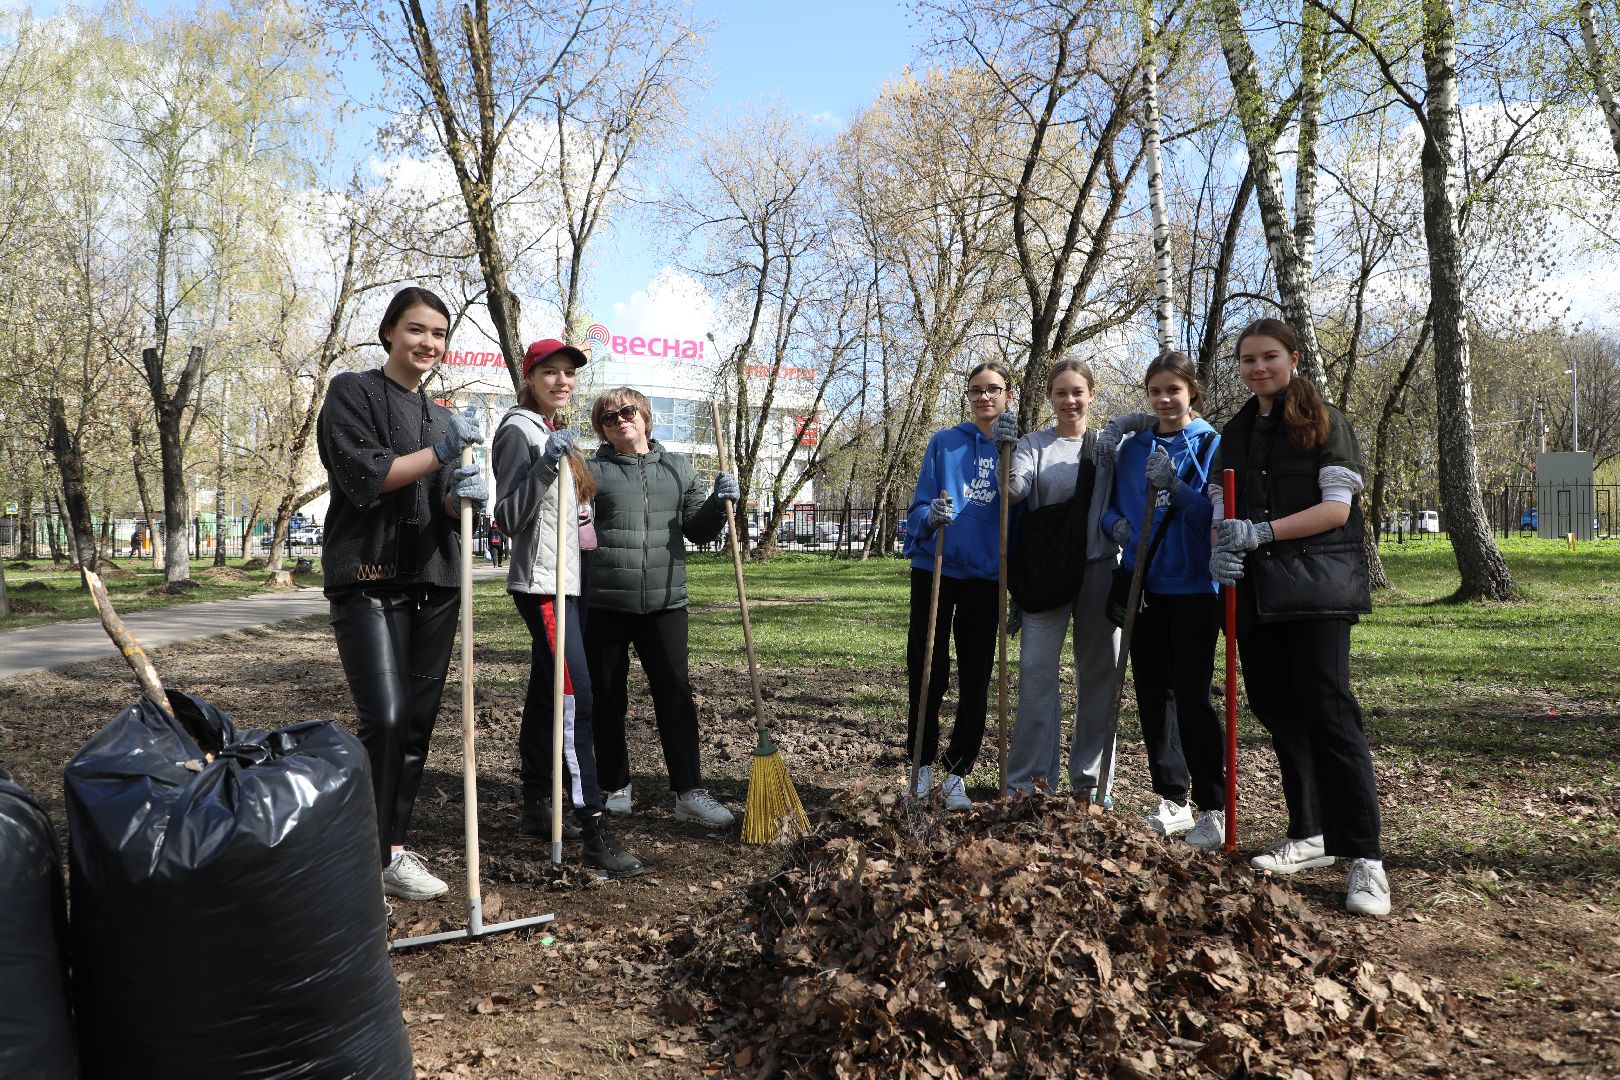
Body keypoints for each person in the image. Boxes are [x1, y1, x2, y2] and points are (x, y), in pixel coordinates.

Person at [1209, 317, 1387, 917]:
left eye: (1269, 357)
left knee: (1329, 713)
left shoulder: (1325, 422)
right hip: (1255, 597)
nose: (1258, 369)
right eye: (1247, 360)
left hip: (1315, 591)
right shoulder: (1234, 431)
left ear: (1293, 357)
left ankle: (1365, 858)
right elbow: (1220, 506)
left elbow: (1336, 510)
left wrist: (1259, 532)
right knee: (1277, 709)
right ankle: (1309, 834)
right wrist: (1223, 547)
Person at [317, 285, 488, 901]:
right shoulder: (352, 392)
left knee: (415, 725)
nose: (428, 343)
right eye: (417, 330)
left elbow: (440, 499)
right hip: (367, 575)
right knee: (384, 717)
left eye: (439, 335)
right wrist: (439, 452)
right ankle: (358, 853)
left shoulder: (444, 416)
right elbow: (369, 476)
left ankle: (391, 852)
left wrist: (462, 492)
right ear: (389, 332)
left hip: (435, 578)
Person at [491, 338, 643, 878]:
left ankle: (537, 803)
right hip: (542, 585)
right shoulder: (518, 430)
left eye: (569, 374)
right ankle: (594, 825)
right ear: (530, 377)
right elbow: (506, 517)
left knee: (545, 694)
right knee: (578, 698)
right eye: (550, 372)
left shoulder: (554, 431)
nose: (561, 381)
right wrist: (543, 469)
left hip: (569, 583)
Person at [998, 358, 1151, 805]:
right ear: (1049, 397)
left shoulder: (1107, 447)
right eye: (1061, 392)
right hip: (1045, 575)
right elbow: (1014, 491)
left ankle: (1091, 782)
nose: (1070, 401)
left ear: (1091, 395)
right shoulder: (1032, 444)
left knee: (1100, 675)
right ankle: (1028, 782)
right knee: (1036, 673)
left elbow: (1161, 419)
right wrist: (999, 451)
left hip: (1099, 569)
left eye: (1077, 392)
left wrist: (1122, 425)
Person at [583, 388, 737, 827]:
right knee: (608, 697)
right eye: (608, 418)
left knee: (675, 693)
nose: (620, 420)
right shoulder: (591, 471)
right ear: (602, 429)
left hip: (666, 602)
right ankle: (616, 785)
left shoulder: (678, 468)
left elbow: (700, 531)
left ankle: (688, 791)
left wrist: (719, 502)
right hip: (606, 603)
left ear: (645, 417)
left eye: (627, 411)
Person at [1100, 351, 1226, 848]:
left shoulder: (1213, 445)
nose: (1164, 400)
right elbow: (1110, 508)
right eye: (1155, 391)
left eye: (1173, 390)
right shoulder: (1134, 449)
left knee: (1192, 695)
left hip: (1195, 587)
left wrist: (1177, 487)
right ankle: (1173, 798)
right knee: (1154, 694)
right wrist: (1117, 526)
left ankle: (1214, 806)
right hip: (1142, 583)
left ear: (1192, 390)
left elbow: (1214, 518)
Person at [901, 362, 1014, 810]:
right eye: (975, 390)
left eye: (993, 389)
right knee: (928, 667)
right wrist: (929, 517)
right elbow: (918, 506)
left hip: (986, 577)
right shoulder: (944, 443)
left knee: (976, 674)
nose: (984, 397)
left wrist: (1019, 587)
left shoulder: (1014, 447)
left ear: (1008, 394)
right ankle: (921, 763)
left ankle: (957, 771)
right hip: (936, 567)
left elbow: (1021, 518)